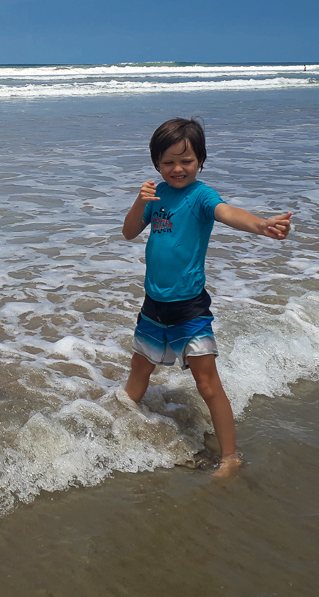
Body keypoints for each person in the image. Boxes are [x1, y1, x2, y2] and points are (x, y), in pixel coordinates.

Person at [121, 118, 291, 478]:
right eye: (168, 162)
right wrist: (140, 201)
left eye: (186, 161)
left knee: (207, 382)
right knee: (139, 371)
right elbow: (129, 231)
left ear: (201, 160)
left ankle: (230, 457)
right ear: (156, 164)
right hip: (153, 305)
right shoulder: (156, 195)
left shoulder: (201, 195)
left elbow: (228, 213)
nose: (177, 169)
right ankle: (120, 429)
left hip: (189, 308)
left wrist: (261, 224)